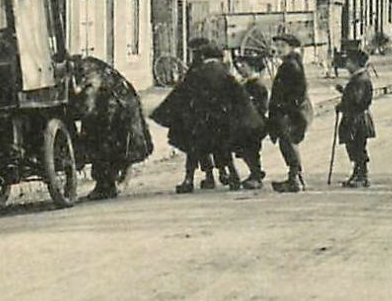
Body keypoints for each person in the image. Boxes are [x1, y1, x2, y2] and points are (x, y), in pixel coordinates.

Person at [69, 56, 153, 200]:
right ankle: (109, 183)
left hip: (117, 108)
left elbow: (89, 102)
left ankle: (105, 186)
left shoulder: (88, 72)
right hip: (119, 104)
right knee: (109, 144)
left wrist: (75, 117)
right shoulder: (90, 66)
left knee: (103, 144)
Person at [151, 38, 228, 193]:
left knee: (194, 149)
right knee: (216, 146)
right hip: (214, 116)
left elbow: (184, 91)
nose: (194, 55)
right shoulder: (220, 68)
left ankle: (191, 179)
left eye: (195, 52)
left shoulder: (197, 70)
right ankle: (223, 174)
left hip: (197, 116)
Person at [266, 33, 313, 192]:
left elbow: (298, 91)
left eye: (282, 46)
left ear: (291, 48)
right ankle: (295, 177)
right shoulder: (291, 62)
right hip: (291, 110)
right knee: (288, 142)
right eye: (277, 46)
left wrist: (286, 109)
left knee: (287, 143)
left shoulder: (290, 65)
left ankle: (295, 179)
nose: (278, 49)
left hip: (290, 112)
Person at [335, 45, 376, 189]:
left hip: (357, 119)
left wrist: (343, 105)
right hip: (356, 118)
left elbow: (357, 100)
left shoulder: (360, 79)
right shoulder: (359, 77)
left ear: (355, 63)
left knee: (357, 147)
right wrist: (344, 92)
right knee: (353, 146)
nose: (346, 65)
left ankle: (362, 176)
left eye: (348, 62)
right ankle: (357, 174)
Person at [233, 47, 271, 189]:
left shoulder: (258, 86)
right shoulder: (246, 83)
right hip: (245, 123)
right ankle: (255, 173)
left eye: (244, 66)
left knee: (251, 149)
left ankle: (256, 175)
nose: (240, 69)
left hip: (255, 124)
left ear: (252, 68)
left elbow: (262, 107)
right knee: (245, 149)